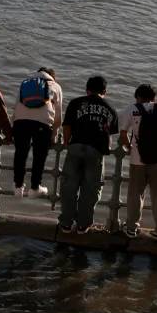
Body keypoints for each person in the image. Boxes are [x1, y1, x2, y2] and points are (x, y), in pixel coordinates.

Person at [119, 83, 157, 241]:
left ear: (137, 97)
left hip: (137, 159)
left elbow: (123, 133)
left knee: (135, 193)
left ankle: (132, 228)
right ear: (154, 98)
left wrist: (128, 146)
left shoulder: (130, 109)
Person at [57, 76, 119, 234]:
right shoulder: (111, 108)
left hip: (76, 146)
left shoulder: (76, 103)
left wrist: (66, 143)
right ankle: (83, 224)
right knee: (90, 189)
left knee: (68, 186)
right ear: (104, 91)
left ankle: (66, 222)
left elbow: (67, 126)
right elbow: (109, 135)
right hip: (96, 150)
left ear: (87, 89)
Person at [12, 67, 63, 198]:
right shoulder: (55, 86)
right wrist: (55, 133)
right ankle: (35, 188)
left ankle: (18, 187)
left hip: (20, 122)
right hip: (42, 124)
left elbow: (16, 106)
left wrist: (14, 126)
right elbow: (58, 116)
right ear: (53, 76)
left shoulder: (25, 83)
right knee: (39, 156)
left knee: (20, 153)